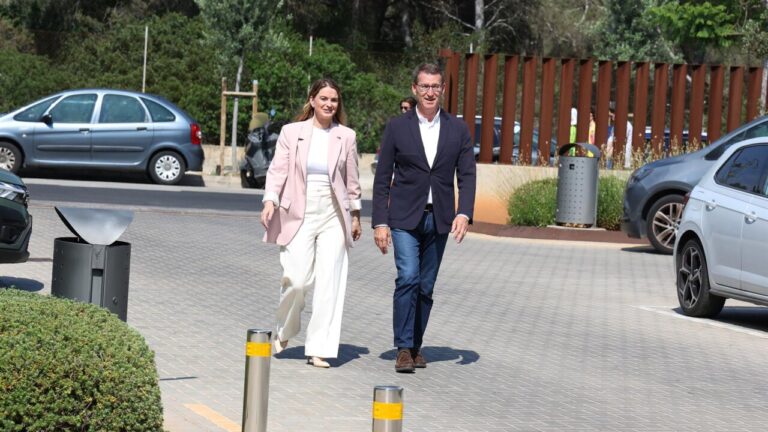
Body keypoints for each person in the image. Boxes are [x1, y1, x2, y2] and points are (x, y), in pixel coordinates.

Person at [372, 63, 476, 373]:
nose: (430, 92)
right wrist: (380, 221)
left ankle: (416, 345)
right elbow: (382, 179)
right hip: (404, 216)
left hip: (440, 218)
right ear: (415, 89)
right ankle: (403, 348)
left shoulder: (458, 129)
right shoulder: (397, 127)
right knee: (409, 277)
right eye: (424, 86)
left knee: (426, 286)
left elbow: (467, 175)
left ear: (443, 90)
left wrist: (464, 213)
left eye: (435, 86)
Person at [260, 78, 362, 369]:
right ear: (312, 100)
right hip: (298, 210)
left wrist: (355, 215)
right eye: (324, 98)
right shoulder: (292, 133)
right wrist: (270, 201)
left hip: (333, 212)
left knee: (330, 282)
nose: (329, 104)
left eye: (334, 100)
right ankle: (285, 330)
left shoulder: (346, 136)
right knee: (297, 279)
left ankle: (320, 348)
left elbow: (352, 181)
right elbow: (278, 170)